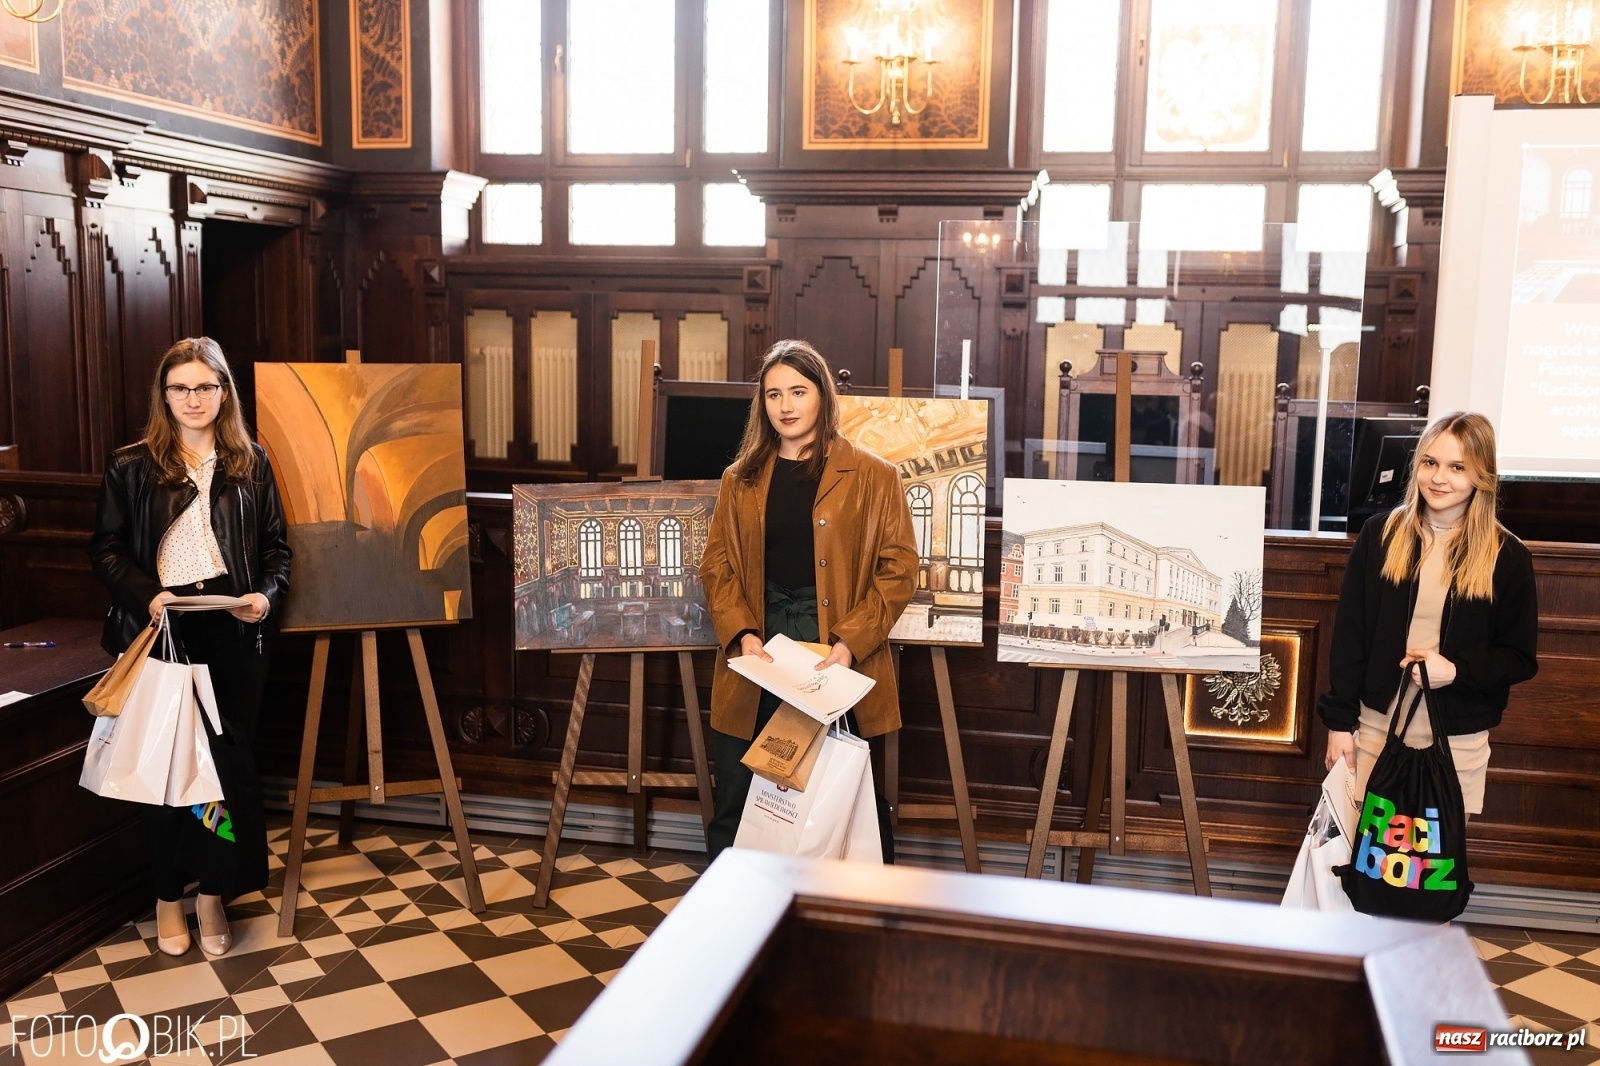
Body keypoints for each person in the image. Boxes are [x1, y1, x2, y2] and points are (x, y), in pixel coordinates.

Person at [89, 337, 291, 957]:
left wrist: (264, 595)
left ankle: (212, 895)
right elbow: (106, 549)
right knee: (164, 774)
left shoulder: (250, 461)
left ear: (224, 391)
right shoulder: (132, 465)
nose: (193, 398)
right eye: (180, 387)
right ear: (164, 394)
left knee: (217, 781)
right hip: (159, 631)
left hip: (231, 632)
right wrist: (147, 595)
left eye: (206, 386)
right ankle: (167, 895)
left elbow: (279, 550)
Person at [699, 340, 918, 862]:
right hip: (758, 652)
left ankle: (853, 920)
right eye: (773, 394)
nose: (786, 406)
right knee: (739, 790)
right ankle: (728, 921)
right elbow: (717, 565)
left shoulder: (874, 476)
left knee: (842, 793)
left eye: (798, 391)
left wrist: (848, 644)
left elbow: (899, 569)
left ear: (824, 395)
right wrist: (743, 635)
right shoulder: (740, 478)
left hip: (834, 650)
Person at [1319, 411, 1538, 819]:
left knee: (1431, 874)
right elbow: (1350, 637)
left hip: (1456, 739)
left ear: (1481, 476)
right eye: (1430, 462)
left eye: (1458, 468)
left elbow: (1519, 658)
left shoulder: (1507, 555)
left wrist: (1455, 671)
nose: (1440, 478)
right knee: (1369, 867)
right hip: (1376, 731)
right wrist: (1339, 724)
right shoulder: (1379, 536)